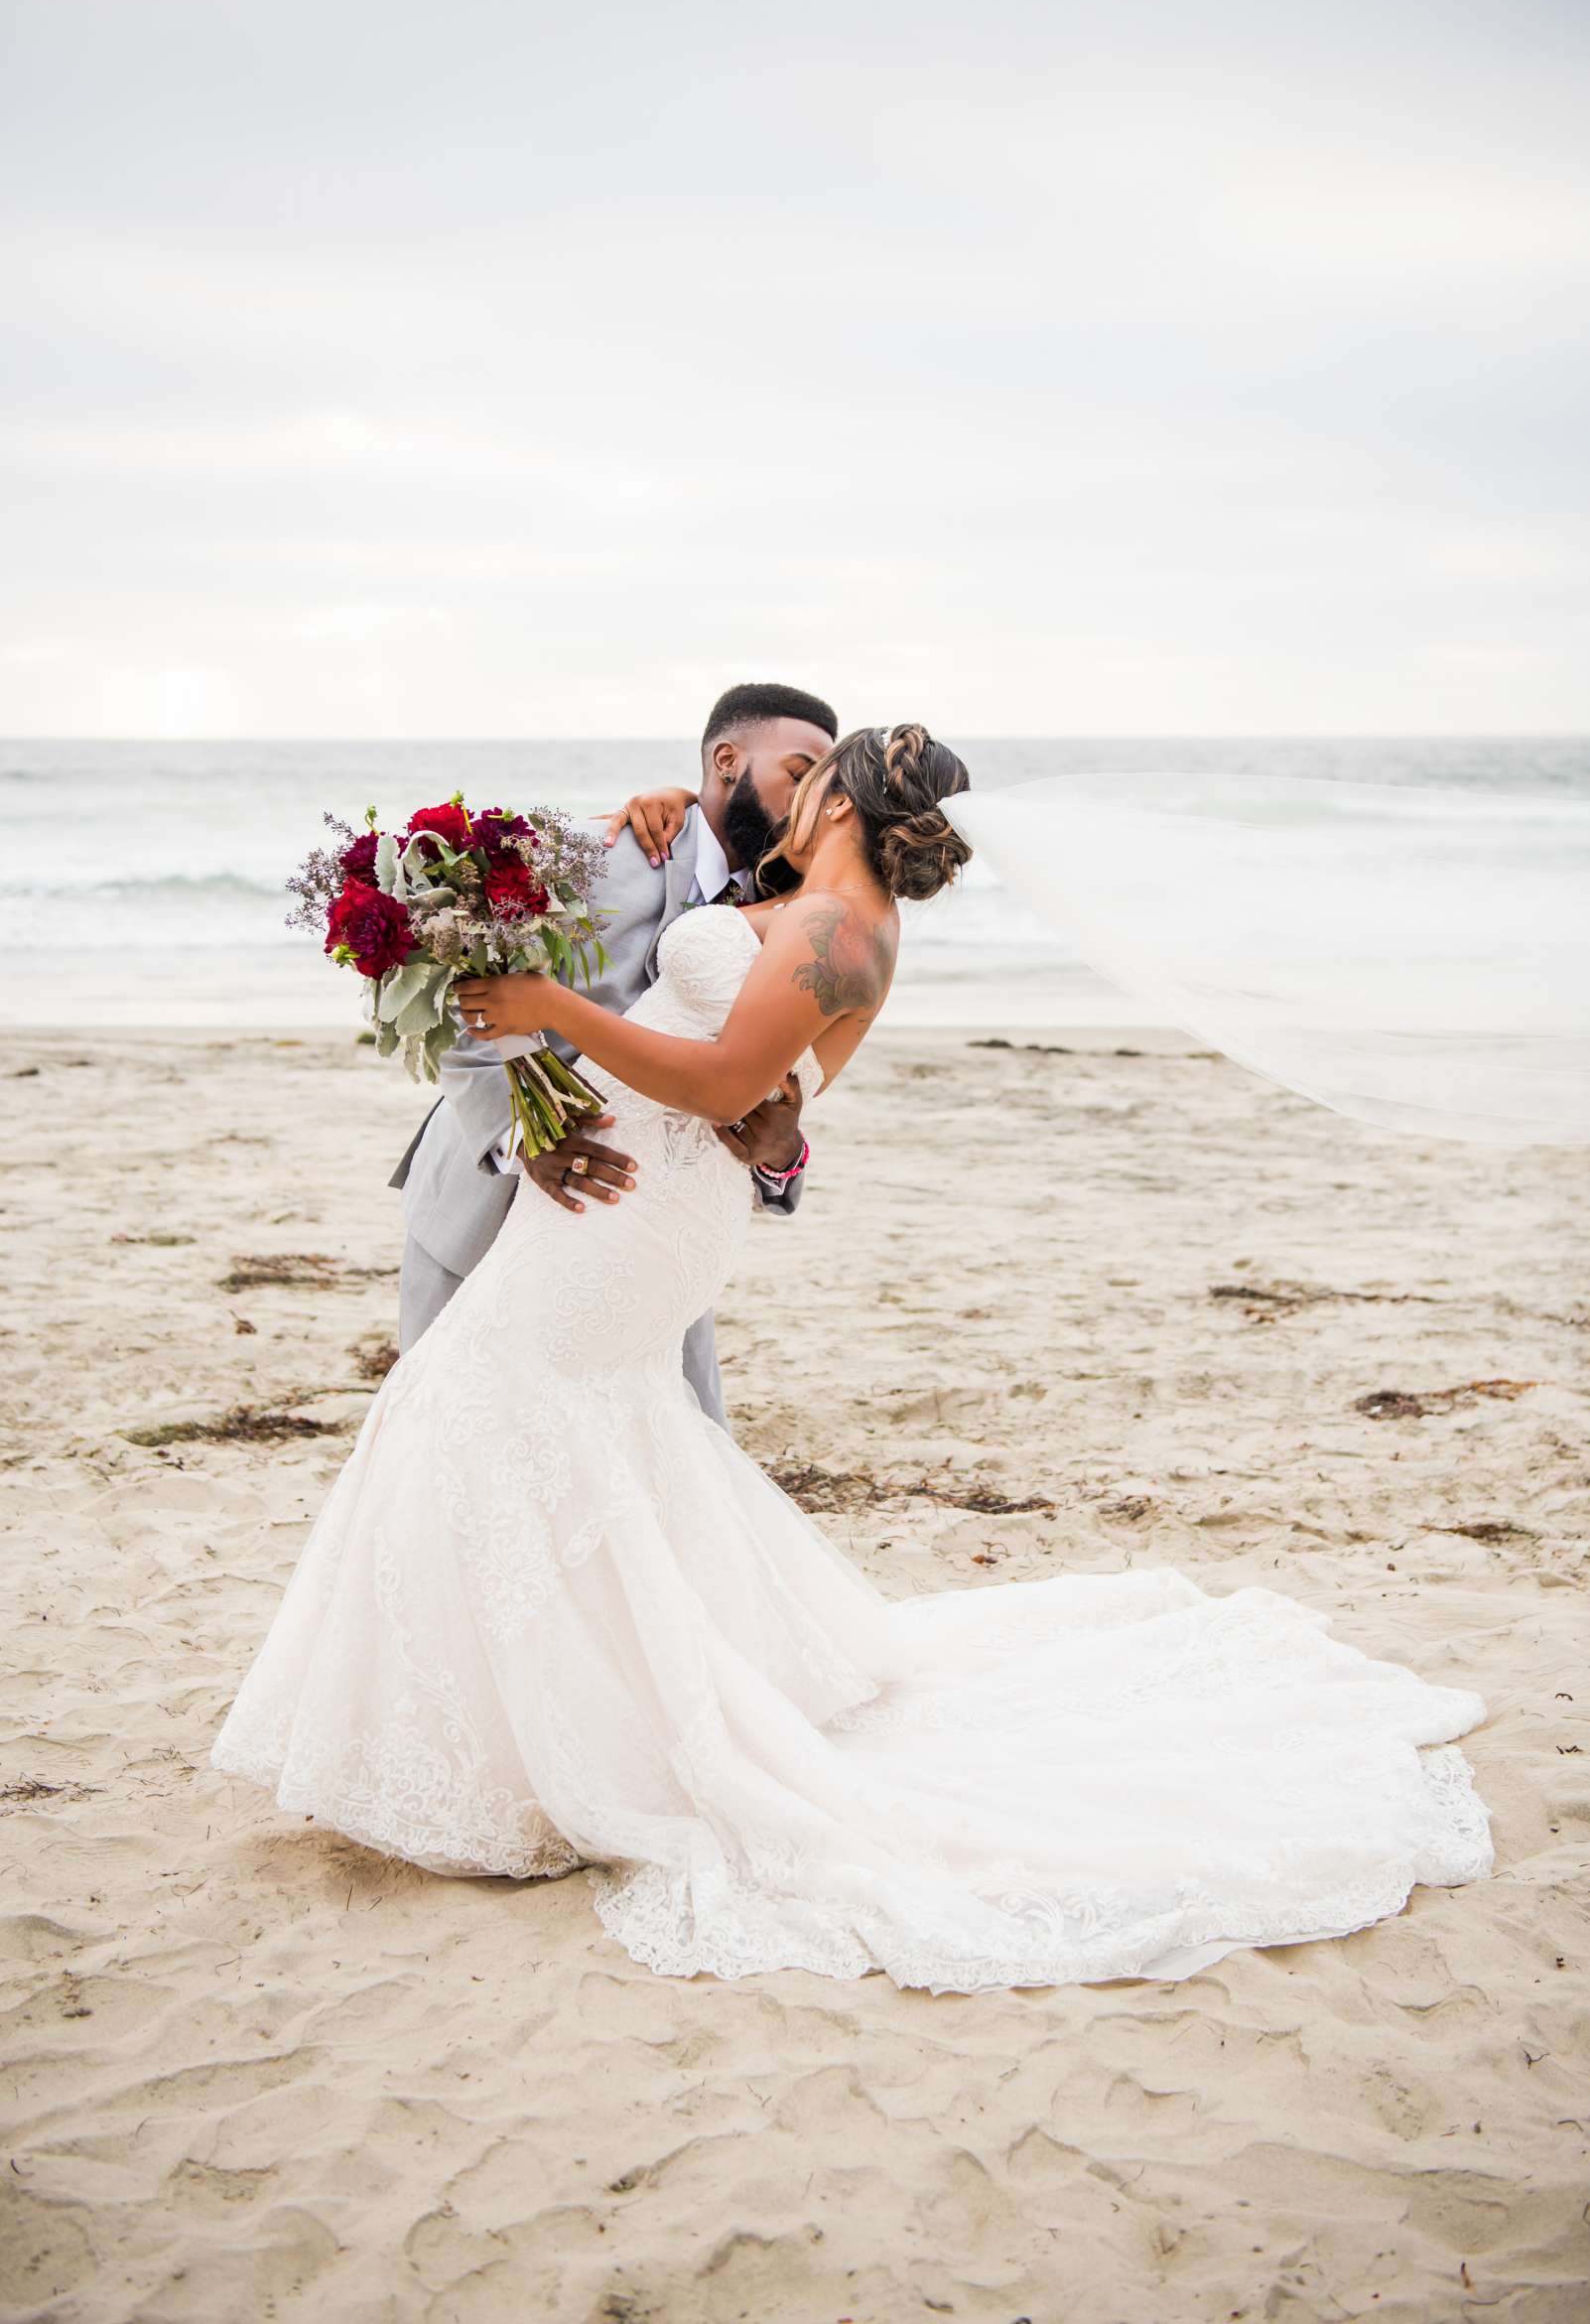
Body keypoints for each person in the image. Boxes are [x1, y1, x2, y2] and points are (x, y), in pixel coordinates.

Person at [211, 725, 1491, 1992]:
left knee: (500, 1398)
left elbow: (726, 1086)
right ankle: (562, 1724)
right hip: (643, 1197)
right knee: (570, 1418)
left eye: (815, 773)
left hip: (638, 1210)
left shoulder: (838, 932)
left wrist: (545, 1007)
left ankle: (550, 1752)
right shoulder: (835, 916)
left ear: (833, 803)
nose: (798, 784)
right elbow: (774, 1099)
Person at [388, 681, 838, 1425]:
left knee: (673, 1464)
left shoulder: (796, 919)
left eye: (824, 783)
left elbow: (779, 1077)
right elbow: (474, 1008)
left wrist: (782, 1153)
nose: (811, 799)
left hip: (647, 1229)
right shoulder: (597, 854)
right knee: (453, 1437)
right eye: (798, 772)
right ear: (727, 760)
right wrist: (527, 1135)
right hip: (491, 1204)